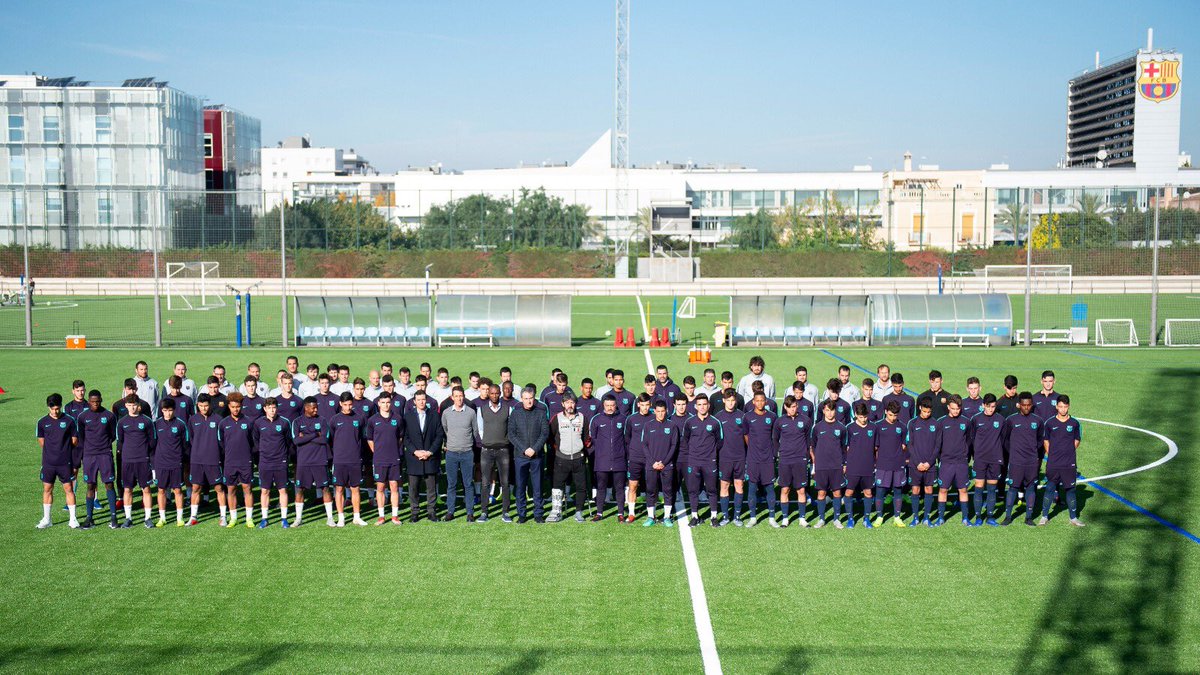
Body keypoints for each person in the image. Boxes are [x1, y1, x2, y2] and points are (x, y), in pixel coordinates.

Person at [1039, 395, 1085, 527]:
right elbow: (1046, 441)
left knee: (1070, 490)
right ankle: (1044, 516)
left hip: (1069, 463)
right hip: (1053, 462)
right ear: (1056, 406)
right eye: (1060, 406)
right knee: (1050, 488)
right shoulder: (1050, 423)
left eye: (1065, 407)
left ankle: (1073, 518)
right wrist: (1052, 454)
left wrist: (1067, 452)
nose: (1063, 409)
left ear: (1068, 406)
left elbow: (1077, 441)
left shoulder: (1075, 423)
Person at [76, 390, 118, 529]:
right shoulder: (82, 417)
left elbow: (113, 435)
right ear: (89, 402)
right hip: (89, 455)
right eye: (93, 402)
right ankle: (89, 518)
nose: (95, 404)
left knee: (109, 483)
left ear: (101, 400)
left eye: (98, 401)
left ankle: (113, 517)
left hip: (105, 454)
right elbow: (81, 437)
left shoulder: (109, 416)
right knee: (90, 485)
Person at [37, 393, 79, 529]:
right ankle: (47, 519)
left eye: (57, 408)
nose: (55, 411)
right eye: (52, 408)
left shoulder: (69, 421)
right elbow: (42, 442)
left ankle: (73, 519)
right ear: (48, 407)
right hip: (48, 463)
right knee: (47, 489)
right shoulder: (42, 422)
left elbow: (74, 440)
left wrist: (62, 451)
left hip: (65, 463)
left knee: (69, 489)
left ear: (61, 406)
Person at [292, 397, 335, 527]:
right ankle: (298, 518)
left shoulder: (322, 420)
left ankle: (330, 518)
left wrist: (305, 436)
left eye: (316, 407)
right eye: (313, 407)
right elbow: (296, 441)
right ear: (306, 407)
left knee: (325, 488)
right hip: (303, 461)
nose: (316, 409)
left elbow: (324, 439)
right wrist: (315, 435)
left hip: (319, 460)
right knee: (300, 489)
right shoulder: (297, 421)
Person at [509, 389, 550, 524]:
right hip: (520, 456)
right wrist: (524, 449)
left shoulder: (541, 413)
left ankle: (538, 513)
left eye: (531, 398)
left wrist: (534, 448)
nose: (529, 401)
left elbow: (544, 433)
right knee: (520, 486)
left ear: (534, 398)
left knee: (537, 486)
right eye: (526, 398)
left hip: (536, 456)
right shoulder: (515, 414)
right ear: (521, 399)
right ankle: (522, 514)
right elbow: (511, 434)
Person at [1001, 392, 1042, 527]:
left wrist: (1033, 453)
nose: (1026, 407)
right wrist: (1013, 453)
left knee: (1031, 488)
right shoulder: (1011, 420)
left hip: (1031, 462)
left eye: (1029, 405)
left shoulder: (1037, 421)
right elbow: (1005, 440)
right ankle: (1008, 516)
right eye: (1023, 405)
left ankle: (1029, 517)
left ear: (1032, 405)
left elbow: (1040, 441)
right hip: (1016, 462)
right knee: (1013, 488)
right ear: (1019, 405)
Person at [115, 394, 156, 528]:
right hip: (127, 461)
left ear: (139, 406)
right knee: (127, 489)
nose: (132, 408)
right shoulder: (122, 422)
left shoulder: (147, 421)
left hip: (143, 460)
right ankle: (128, 518)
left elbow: (152, 442)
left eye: (134, 405)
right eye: (130, 405)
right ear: (126, 405)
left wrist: (148, 457)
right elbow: (120, 442)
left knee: (146, 489)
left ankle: (148, 518)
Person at [682, 394, 722, 527]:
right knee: (693, 490)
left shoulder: (715, 422)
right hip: (694, 461)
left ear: (709, 405)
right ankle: (694, 516)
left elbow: (720, 441)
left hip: (709, 461)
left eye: (704, 404)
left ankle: (714, 516)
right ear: (695, 406)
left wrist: (710, 453)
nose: (702, 407)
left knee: (712, 489)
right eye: (699, 404)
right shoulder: (689, 422)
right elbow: (686, 440)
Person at [934, 396, 975, 527]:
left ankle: (965, 518)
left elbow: (969, 440)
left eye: (958, 409)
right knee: (943, 489)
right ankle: (940, 517)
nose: (956, 411)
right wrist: (941, 458)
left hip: (961, 462)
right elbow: (938, 443)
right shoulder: (941, 422)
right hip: (946, 462)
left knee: (963, 490)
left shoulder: (966, 422)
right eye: (953, 409)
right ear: (948, 408)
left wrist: (965, 455)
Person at [404, 390, 444, 523]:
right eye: (418, 400)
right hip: (414, 458)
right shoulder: (408, 416)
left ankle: (431, 512)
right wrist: (415, 451)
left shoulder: (434, 415)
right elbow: (405, 437)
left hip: (430, 457)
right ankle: (414, 512)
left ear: (426, 400)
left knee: (431, 487)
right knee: (413, 487)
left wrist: (430, 452)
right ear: (414, 402)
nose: (421, 402)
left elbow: (439, 435)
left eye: (423, 399)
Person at [586, 394, 628, 522]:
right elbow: (592, 439)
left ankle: (620, 513)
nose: (610, 408)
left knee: (619, 488)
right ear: (603, 405)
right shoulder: (596, 420)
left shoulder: (623, 419)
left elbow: (627, 439)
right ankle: (599, 513)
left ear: (616, 405)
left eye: (612, 405)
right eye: (607, 405)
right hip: (602, 461)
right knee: (601, 487)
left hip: (619, 460)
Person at [476, 382, 513, 523]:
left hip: (503, 450)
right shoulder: (482, 409)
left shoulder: (508, 409)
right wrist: (488, 440)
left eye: (497, 393)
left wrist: (504, 440)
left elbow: (510, 428)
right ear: (488, 394)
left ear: (500, 393)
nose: (494, 395)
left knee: (505, 482)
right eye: (492, 393)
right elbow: (479, 429)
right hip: (487, 450)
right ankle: (484, 512)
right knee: (485, 482)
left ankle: (506, 512)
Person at [253, 398, 292, 528]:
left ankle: (284, 518)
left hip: (280, 461)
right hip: (265, 462)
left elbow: (288, 442)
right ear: (264, 409)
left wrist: (285, 458)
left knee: (283, 490)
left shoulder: (285, 422)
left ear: (277, 408)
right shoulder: (258, 423)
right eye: (269, 408)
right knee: (265, 491)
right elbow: (256, 441)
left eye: (274, 407)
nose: (272, 410)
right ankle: (265, 518)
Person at [548, 393, 588, 523]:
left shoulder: (582, 417)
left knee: (581, 486)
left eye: (572, 403)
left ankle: (579, 512)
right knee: (557, 486)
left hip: (578, 458)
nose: (570, 405)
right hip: (561, 458)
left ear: (575, 404)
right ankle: (556, 511)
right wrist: (558, 449)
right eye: (567, 403)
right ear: (563, 404)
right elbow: (550, 437)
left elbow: (586, 437)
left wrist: (582, 449)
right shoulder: (557, 418)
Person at [220, 393, 256, 529]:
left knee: (247, 489)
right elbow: (221, 443)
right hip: (230, 462)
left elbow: (253, 442)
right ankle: (233, 518)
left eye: (238, 407)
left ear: (241, 406)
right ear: (229, 406)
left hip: (245, 461)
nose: (236, 409)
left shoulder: (248, 422)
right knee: (231, 489)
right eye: (233, 407)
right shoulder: (223, 423)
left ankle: (249, 518)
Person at [366, 392, 403, 526]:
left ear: (391, 403)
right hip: (379, 459)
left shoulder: (397, 419)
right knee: (381, 486)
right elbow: (370, 439)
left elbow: (400, 438)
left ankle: (395, 515)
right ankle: (381, 516)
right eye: (383, 402)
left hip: (394, 458)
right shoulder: (372, 420)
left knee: (394, 486)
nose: (386, 405)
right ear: (379, 403)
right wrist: (378, 452)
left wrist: (392, 450)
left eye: (388, 402)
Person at [809, 401, 847, 529]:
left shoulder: (841, 428)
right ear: (823, 411)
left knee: (837, 493)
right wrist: (815, 462)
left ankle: (836, 519)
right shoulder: (817, 427)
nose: (830, 413)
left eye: (832, 410)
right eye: (827, 410)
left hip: (836, 466)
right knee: (821, 493)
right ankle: (821, 519)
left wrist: (844, 464)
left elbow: (844, 447)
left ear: (835, 411)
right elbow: (812, 446)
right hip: (822, 466)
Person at [774, 396, 810, 528]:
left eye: (795, 406)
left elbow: (808, 439)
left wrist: (805, 455)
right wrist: (779, 453)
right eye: (790, 407)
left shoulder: (805, 420)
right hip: (785, 460)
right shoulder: (779, 421)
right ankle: (785, 518)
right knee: (785, 489)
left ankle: (802, 518)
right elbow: (775, 439)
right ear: (785, 407)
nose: (793, 409)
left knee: (801, 489)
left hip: (800, 459)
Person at [641, 401, 679, 527]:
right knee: (651, 491)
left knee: (668, 490)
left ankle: (667, 517)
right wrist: (653, 462)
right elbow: (644, 445)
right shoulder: (648, 425)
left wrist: (664, 462)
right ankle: (651, 516)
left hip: (667, 465)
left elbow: (674, 446)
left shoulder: (672, 426)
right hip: (651, 465)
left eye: (663, 411)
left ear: (666, 411)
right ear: (655, 411)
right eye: (658, 411)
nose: (661, 414)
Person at [442, 387, 477, 522]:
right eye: (456, 396)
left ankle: (470, 512)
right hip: (451, 453)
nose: (459, 398)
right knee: (451, 483)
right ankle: (450, 511)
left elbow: (475, 431)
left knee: (468, 483)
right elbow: (445, 429)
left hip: (467, 453)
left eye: (461, 396)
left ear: (464, 396)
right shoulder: (446, 413)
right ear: (452, 397)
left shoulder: (471, 412)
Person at [744, 392, 778, 528]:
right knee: (752, 487)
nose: (759, 403)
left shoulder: (772, 417)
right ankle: (753, 517)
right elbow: (746, 435)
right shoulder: (747, 417)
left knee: (770, 487)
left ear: (766, 402)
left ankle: (771, 516)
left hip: (768, 458)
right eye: (757, 400)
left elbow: (775, 437)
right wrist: (753, 448)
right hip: (753, 458)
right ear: (753, 402)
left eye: (762, 400)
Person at [714, 389, 748, 526]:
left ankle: (737, 516)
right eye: (728, 400)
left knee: (739, 485)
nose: (730, 403)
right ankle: (726, 516)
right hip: (724, 458)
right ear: (723, 401)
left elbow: (747, 436)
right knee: (724, 485)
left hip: (740, 457)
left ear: (736, 401)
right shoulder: (718, 417)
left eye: (733, 400)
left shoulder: (742, 416)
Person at [873, 401, 909, 527]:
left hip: (898, 464)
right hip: (883, 465)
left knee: (898, 490)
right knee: (880, 491)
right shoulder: (878, 426)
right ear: (885, 412)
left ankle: (897, 517)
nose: (893, 418)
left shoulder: (903, 427)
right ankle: (879, 516)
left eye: (895, 415)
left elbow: (904, 446)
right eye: (890, 415)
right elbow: (875, 447)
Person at [152, 398, 187, 528]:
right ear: (162, 411)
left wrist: (181, 460)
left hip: (176, 462)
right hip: (161, 463)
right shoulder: (156, 424)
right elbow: (153, 444)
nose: (168, 413)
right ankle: (162, 518)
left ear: (174, 410)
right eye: (165, 410)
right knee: (161, 490)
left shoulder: (180, 424)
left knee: (177, 490)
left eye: (170, 410)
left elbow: (185, 444)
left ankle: (180, 518)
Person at [906, 397, 940, 527]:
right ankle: (915, 517)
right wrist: (918, 462)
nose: (926, 414)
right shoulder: (913, 423)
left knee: (929, 490)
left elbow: (937, 446)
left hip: (930, 465)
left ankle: (927, 517)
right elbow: (910, 444)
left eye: (929, 412)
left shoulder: (935, 424)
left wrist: (929, 463)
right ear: (920, 408)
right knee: (915, 490)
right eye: (924, 411)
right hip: (916, 464)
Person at [843, 402, 876, 529]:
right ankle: (850, 518)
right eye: (860, 417)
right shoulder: (849, 428)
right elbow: (845, 448)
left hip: (868, 466)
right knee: (849, 492)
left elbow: (876, 448)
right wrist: (845, 464)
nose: (863, 419)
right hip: (853, 466)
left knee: (868, 493)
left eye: (865, 416)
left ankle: (866, 519)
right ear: (856, 415)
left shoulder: (873, 428)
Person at [623, 394, 653, 523]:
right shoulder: (631, 419)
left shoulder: (654, 418)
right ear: (638, 404)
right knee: (633, 486)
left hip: (650, 458)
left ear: (650, 404)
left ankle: (651, 513)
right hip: (635, 458)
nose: (645, 408)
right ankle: (631, 513)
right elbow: (627, 438)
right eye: (643, 405)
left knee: (651, 487)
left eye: (647, 405)